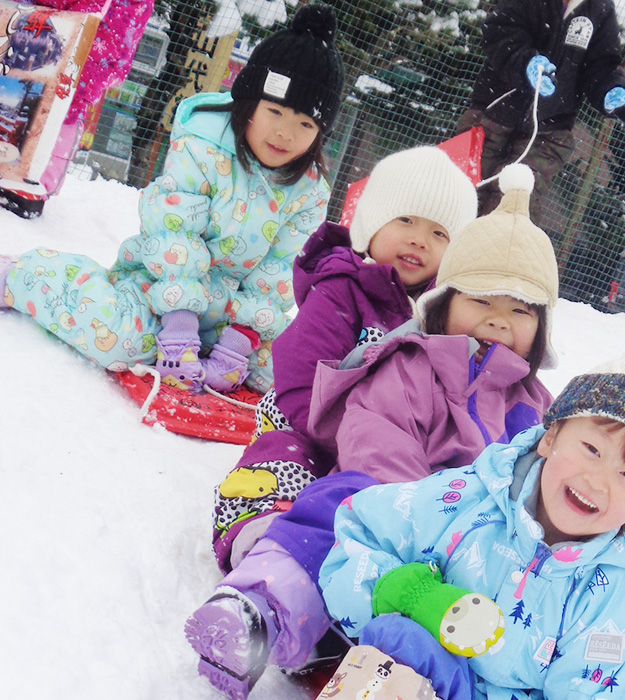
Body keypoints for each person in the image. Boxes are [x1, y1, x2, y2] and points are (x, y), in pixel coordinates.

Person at [184, 163, 560, 700]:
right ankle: (264, 603)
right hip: (343, 452)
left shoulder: (533, 407)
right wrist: (411, 511)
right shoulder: (395, 342)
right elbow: (347, 416)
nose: (499, 319)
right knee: (329, 500)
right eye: (481, 300)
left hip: (459, 536)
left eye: (520, 309)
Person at [318, 353, 625, 700]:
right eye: (592, 449)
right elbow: (360, 532)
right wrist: (399, 589)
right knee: (399, 639)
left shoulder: (610, 600)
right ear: (550, 438)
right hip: (420, 680)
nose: (597, 482)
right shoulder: (464, 500)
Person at [0, 5, 343, 394]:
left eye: (305, 124)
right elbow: (174, 236)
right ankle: (26, 274)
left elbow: (278, 273)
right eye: (275, 111)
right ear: (249, 102)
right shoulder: (203, 149)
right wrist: (179, 332)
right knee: (119, 340)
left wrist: (235, 349)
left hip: (232, 318)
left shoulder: (309, 192)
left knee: (285, 376)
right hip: (160, 291)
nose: (286, 133)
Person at [212, 145, 478, 572]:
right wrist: (353, 441)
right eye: (405, 220)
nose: (419, 239)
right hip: (310, 423)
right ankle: (266, 532)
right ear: (372, 223)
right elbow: (300, 376)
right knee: (280, 458)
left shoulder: (444, 317)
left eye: (439, 234)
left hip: (389, 447)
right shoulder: (341, 289)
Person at [454, 0, 625, 216]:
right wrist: (526, 63)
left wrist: (612, 90)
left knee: (513, 211)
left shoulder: (599, 8)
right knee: (459, 196)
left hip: (548, 133)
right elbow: (500, 30)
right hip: (491, 115)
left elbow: (602, 64)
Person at [0, 0, 155, 218]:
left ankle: (23, 195)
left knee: (25, 190)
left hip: (59, 103)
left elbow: (111, 47)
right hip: (34, 76)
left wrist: (73, 87)